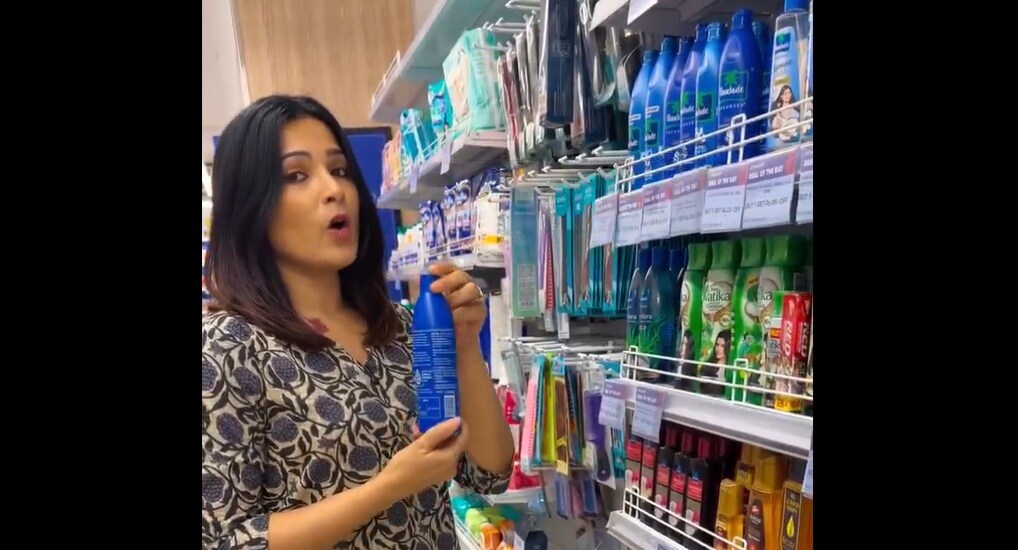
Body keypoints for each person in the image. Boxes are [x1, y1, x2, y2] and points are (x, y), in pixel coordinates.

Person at [201, 95, 515, 550]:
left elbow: (490, 473)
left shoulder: (400, 328)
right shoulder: (228, 347)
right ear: (251, 205)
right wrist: (388, 487)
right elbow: (225, 539)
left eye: (339, 169)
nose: (334, 189)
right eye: (297, 175)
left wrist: (465, 345)